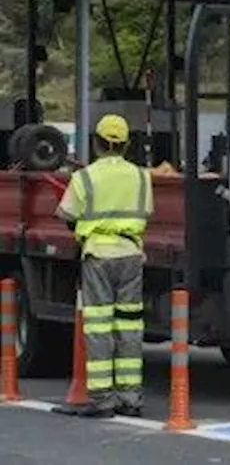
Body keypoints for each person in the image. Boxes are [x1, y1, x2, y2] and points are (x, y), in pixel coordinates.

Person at [52, 114, 152, 419]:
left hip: (98, 255)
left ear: (96, 143)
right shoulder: (141, 177)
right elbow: (146, 211)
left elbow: (65, 213)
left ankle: (102, 399)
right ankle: (130, 396)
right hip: (131, 255)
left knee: (98, 326)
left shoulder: (85, 178)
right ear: (126, 145)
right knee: (129, 325)